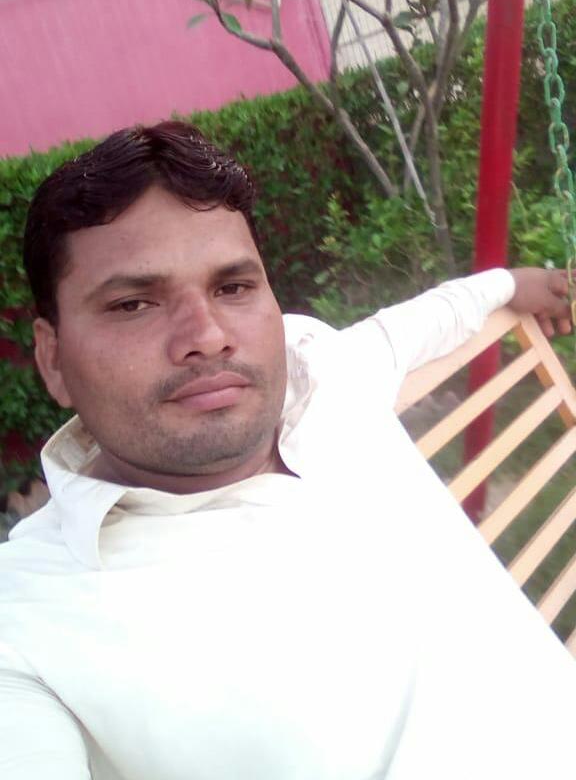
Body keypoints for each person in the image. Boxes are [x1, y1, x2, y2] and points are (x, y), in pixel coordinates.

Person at [0, 121, 574, 780]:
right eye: (133, 304)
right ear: (53, 359)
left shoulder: (318, 368)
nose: (208, 335)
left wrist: (512, 284)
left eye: (233, 287)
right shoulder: (29, 623)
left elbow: (423, 321)